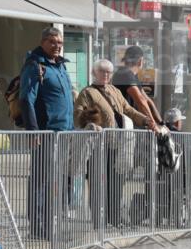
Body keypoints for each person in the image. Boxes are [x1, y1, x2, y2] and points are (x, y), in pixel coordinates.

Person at [74, 59, 153, 227]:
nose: (106, 75)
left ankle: (115, 218)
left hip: (119, 144)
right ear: (94, 73)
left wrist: (145, 120)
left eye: (109, 72)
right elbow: (78, 115)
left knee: (117, 182)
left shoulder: (115, 90)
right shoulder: (87, 92)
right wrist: (89, 124)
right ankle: (99, 221)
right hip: (98, 145)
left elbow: (128, 110)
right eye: (102, 71)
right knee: (97, 183)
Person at [20, 27, 74, 238]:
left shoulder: (59, 66)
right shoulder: (35, 65)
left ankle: (51, 227)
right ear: (42, 42)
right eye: (52, 42)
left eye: (59, 43)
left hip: (63, 134)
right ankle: (38, 227)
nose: (57, 46)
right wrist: (34, 131)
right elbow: (26, 100)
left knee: (54, 181)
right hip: (45, 134)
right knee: (41, 182)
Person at [113, 45, 163, 126]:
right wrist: (153, 124)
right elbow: (140, 100)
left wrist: (161, 123)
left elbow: (147, 100)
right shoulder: (125, 74)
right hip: (122, 124)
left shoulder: (133, 75)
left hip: (130, 123)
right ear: (140, 61)